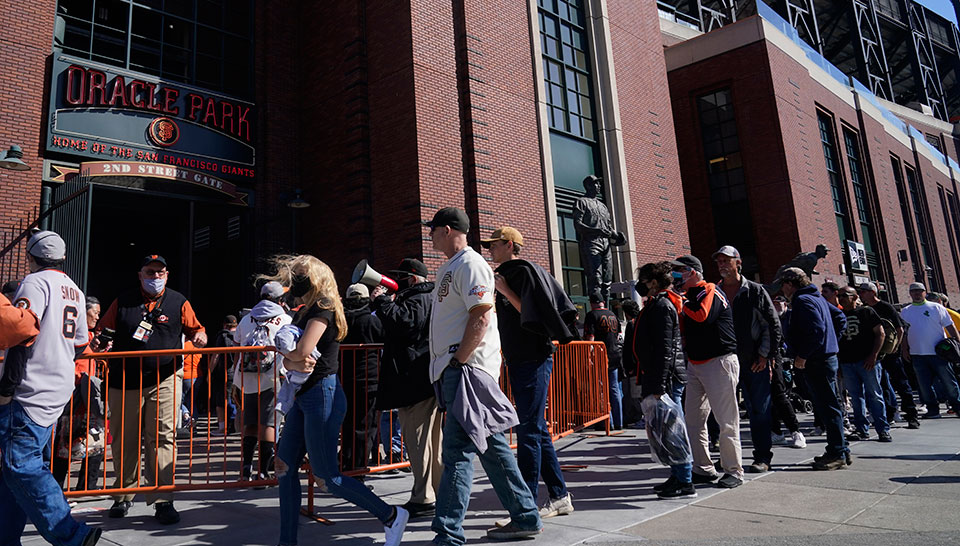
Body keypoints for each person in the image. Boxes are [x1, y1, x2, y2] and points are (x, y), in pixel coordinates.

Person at [262, 254, 407, 546]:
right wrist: (290, 361)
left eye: (300, 273)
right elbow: (295, 359)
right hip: (306, 396)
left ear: (315, 276)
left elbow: (303, 351)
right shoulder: (305, 310)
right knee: (284, 466)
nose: (295, 279)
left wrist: (289, 359)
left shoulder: (325, 305)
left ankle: (390, 514)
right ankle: (286, 541)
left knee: (327, 476)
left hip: (321, 394)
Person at [424, 207, 541, 543]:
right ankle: (525, 515)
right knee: (490, 446)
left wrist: (458, 362)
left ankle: (447, 533)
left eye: (432, 230)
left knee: (458, 451)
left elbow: (481, 316)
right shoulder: (453, 266)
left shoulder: (471, 264)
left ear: (446, 230)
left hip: (467, 370)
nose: (429, 234)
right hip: (461, 369)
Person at [0, 230, 101, 546]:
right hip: (57, 387)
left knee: (22, 465)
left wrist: (6, 389)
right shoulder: (75, 290)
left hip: (29, 389)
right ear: (62, 257)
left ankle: (71, 534)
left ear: (31, 257)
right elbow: (81, 345)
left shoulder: (35, 282)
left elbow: (20, 336)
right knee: (10, 473)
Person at [96, 254, 207, 524]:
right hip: (124, 380)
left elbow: (196, 329)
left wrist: (199, 337)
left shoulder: (179, 301)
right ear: (140, 274)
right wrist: (101, 343)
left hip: (165, 377)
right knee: (125, 438)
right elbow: (104, 331)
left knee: (162, 437)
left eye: (160, 272)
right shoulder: (122, 301)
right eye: (150, 272)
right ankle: (123, 495)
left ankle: (162, 499)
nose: (155, 277)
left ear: (167, 275)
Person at [482, 226, 577, 522]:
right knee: (537, 430)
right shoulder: (522, 271)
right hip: (524, 360)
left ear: (510, 245)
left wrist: (505, 290)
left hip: (532, 359)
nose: (491, 250)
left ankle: (523, 507)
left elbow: (532, 315)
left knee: (529, 431)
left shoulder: (519, 272)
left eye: (495, 245)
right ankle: (560, 497)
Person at [371, 258, 441, 519]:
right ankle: (438, 492)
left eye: (400, 277)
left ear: (412, 279)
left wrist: (383, 303)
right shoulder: (426, 297)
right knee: (432, 442)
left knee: (417, 441)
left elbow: (405, 325)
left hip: (414, 381)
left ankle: (423, 498)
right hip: (421, 380)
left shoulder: (418, 299)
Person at [671, 254, 743, 488]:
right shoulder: (687, 296)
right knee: (693, 420)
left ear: (692, 272)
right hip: (696, 363)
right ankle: (702, 467)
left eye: (679, 271)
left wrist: (679, 300)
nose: (675, 276)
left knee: (726, 421)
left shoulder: (709, 289)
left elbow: (702, 314)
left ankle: (734, 470)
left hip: (719, 362)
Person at [714, 245, 782, 473]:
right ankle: (728, 458)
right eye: (719, 261)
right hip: (724, 361)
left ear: (738, 262)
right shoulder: (715, 292)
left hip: (753, 361)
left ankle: (762, 457)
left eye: (726, 260)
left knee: (759, 410)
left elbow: (772, 325)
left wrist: (765, 355)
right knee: (725, 412)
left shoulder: (754, 291)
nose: (722, 265)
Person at [636, 262, 696, 499]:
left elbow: (665, 348)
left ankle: (685, 480)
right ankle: (678, 475)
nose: (641, 285)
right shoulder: (658, 304)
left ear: (652, 282)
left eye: (644, 280)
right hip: (662, 376)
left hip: (666, 378)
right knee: (666, 430)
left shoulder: (662, 306)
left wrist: (660, 385)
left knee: (672, 431)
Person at [778, 268, 848, 470]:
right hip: (825, 357)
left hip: (817, 360)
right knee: (831, 405)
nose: (782, 289)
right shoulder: (815, 297)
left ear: (791, 284)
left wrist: (803, 355)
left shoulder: (803, 300)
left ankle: (837, 453)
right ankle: (842, 449)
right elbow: (839, 318)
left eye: (783, 284)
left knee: (828, 406)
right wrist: (832, 342)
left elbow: (817, 330)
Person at [232, 281, 292, 481]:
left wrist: (234, 379)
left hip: (246, 378)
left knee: (250, 423)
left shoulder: (246, 318)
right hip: (273, 377)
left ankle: (246, 469)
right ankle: (263, 472)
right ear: (280, 300)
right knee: (269, 424)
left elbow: (236, 348)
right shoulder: (284, 319)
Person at [858, 282, 919, 429]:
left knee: (901, 383)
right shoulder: (864, 309)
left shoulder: (885, 307)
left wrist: (896, 347)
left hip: (890, 353)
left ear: (873, 292)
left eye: (863, 291)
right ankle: (889, 414)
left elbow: (900, 328)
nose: (861, 294)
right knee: (882, 385)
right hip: (875, 353)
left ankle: (912, 415)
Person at [837, 286, 890, 442]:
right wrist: (839, 364)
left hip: (867, 361)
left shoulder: (866, 312)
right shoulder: (838, 315)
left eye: (844, 295)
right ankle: (861, 429)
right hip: (847, 362)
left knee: (874, 395)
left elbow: (880, 334)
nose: (841, 298)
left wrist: (873, 355)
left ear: (854, 297)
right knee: (855, 397)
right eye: (838, 295)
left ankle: (883, 429)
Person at [341, 282, 384, 472]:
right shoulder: (373, 321)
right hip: (369, 379)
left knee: (347, 424)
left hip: (344, 379)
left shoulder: (340, 322)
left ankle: (345, 463)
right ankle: (357, 470)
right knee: (365, 427)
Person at [900, 282, 960, 418]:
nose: (916, 293)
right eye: (913, 291)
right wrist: (904, 349)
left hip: (939, 353)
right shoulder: (906, 311)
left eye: (919, 291)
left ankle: (957, 406)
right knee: (924, 386)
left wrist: (957, 344)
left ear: (925, 292)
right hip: (917, 354)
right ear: (910, 294)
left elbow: (950, 327)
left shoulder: (936, 307)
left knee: (949, 382)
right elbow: (904, 332)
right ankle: (933, 410)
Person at [572, 175, 625, 303]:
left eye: (599, 183)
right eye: (596, 183)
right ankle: (597, 311)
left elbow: (608, 228)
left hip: (605, 244)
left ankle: (606, 311)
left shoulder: (603, 206)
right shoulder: (581, 202)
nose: (599, 186)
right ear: (588, 186)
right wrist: (595, 230)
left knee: (607, 281)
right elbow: (577, 225)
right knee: (595, 278)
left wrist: (618, 236)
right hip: (591, 242)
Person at [584, 294, 624, 430]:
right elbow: (618, 334)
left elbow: (591, 337)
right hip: (615, 354)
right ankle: (619, 421)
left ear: (592, 303)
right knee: (614, 388)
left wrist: (588, 356)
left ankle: (608, 422)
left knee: (602, 389)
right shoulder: (612, 314)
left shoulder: (591, 315)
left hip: (600, 355)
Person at [205, 315, 239, 435]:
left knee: (221, 401)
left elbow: (216, 356)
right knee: (236, 398)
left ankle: (222, 428)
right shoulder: (241, 334)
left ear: (225, 325)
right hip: (238, 372)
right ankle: (236, 425)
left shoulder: (222, 336)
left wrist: (209, 372)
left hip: (224, 373)